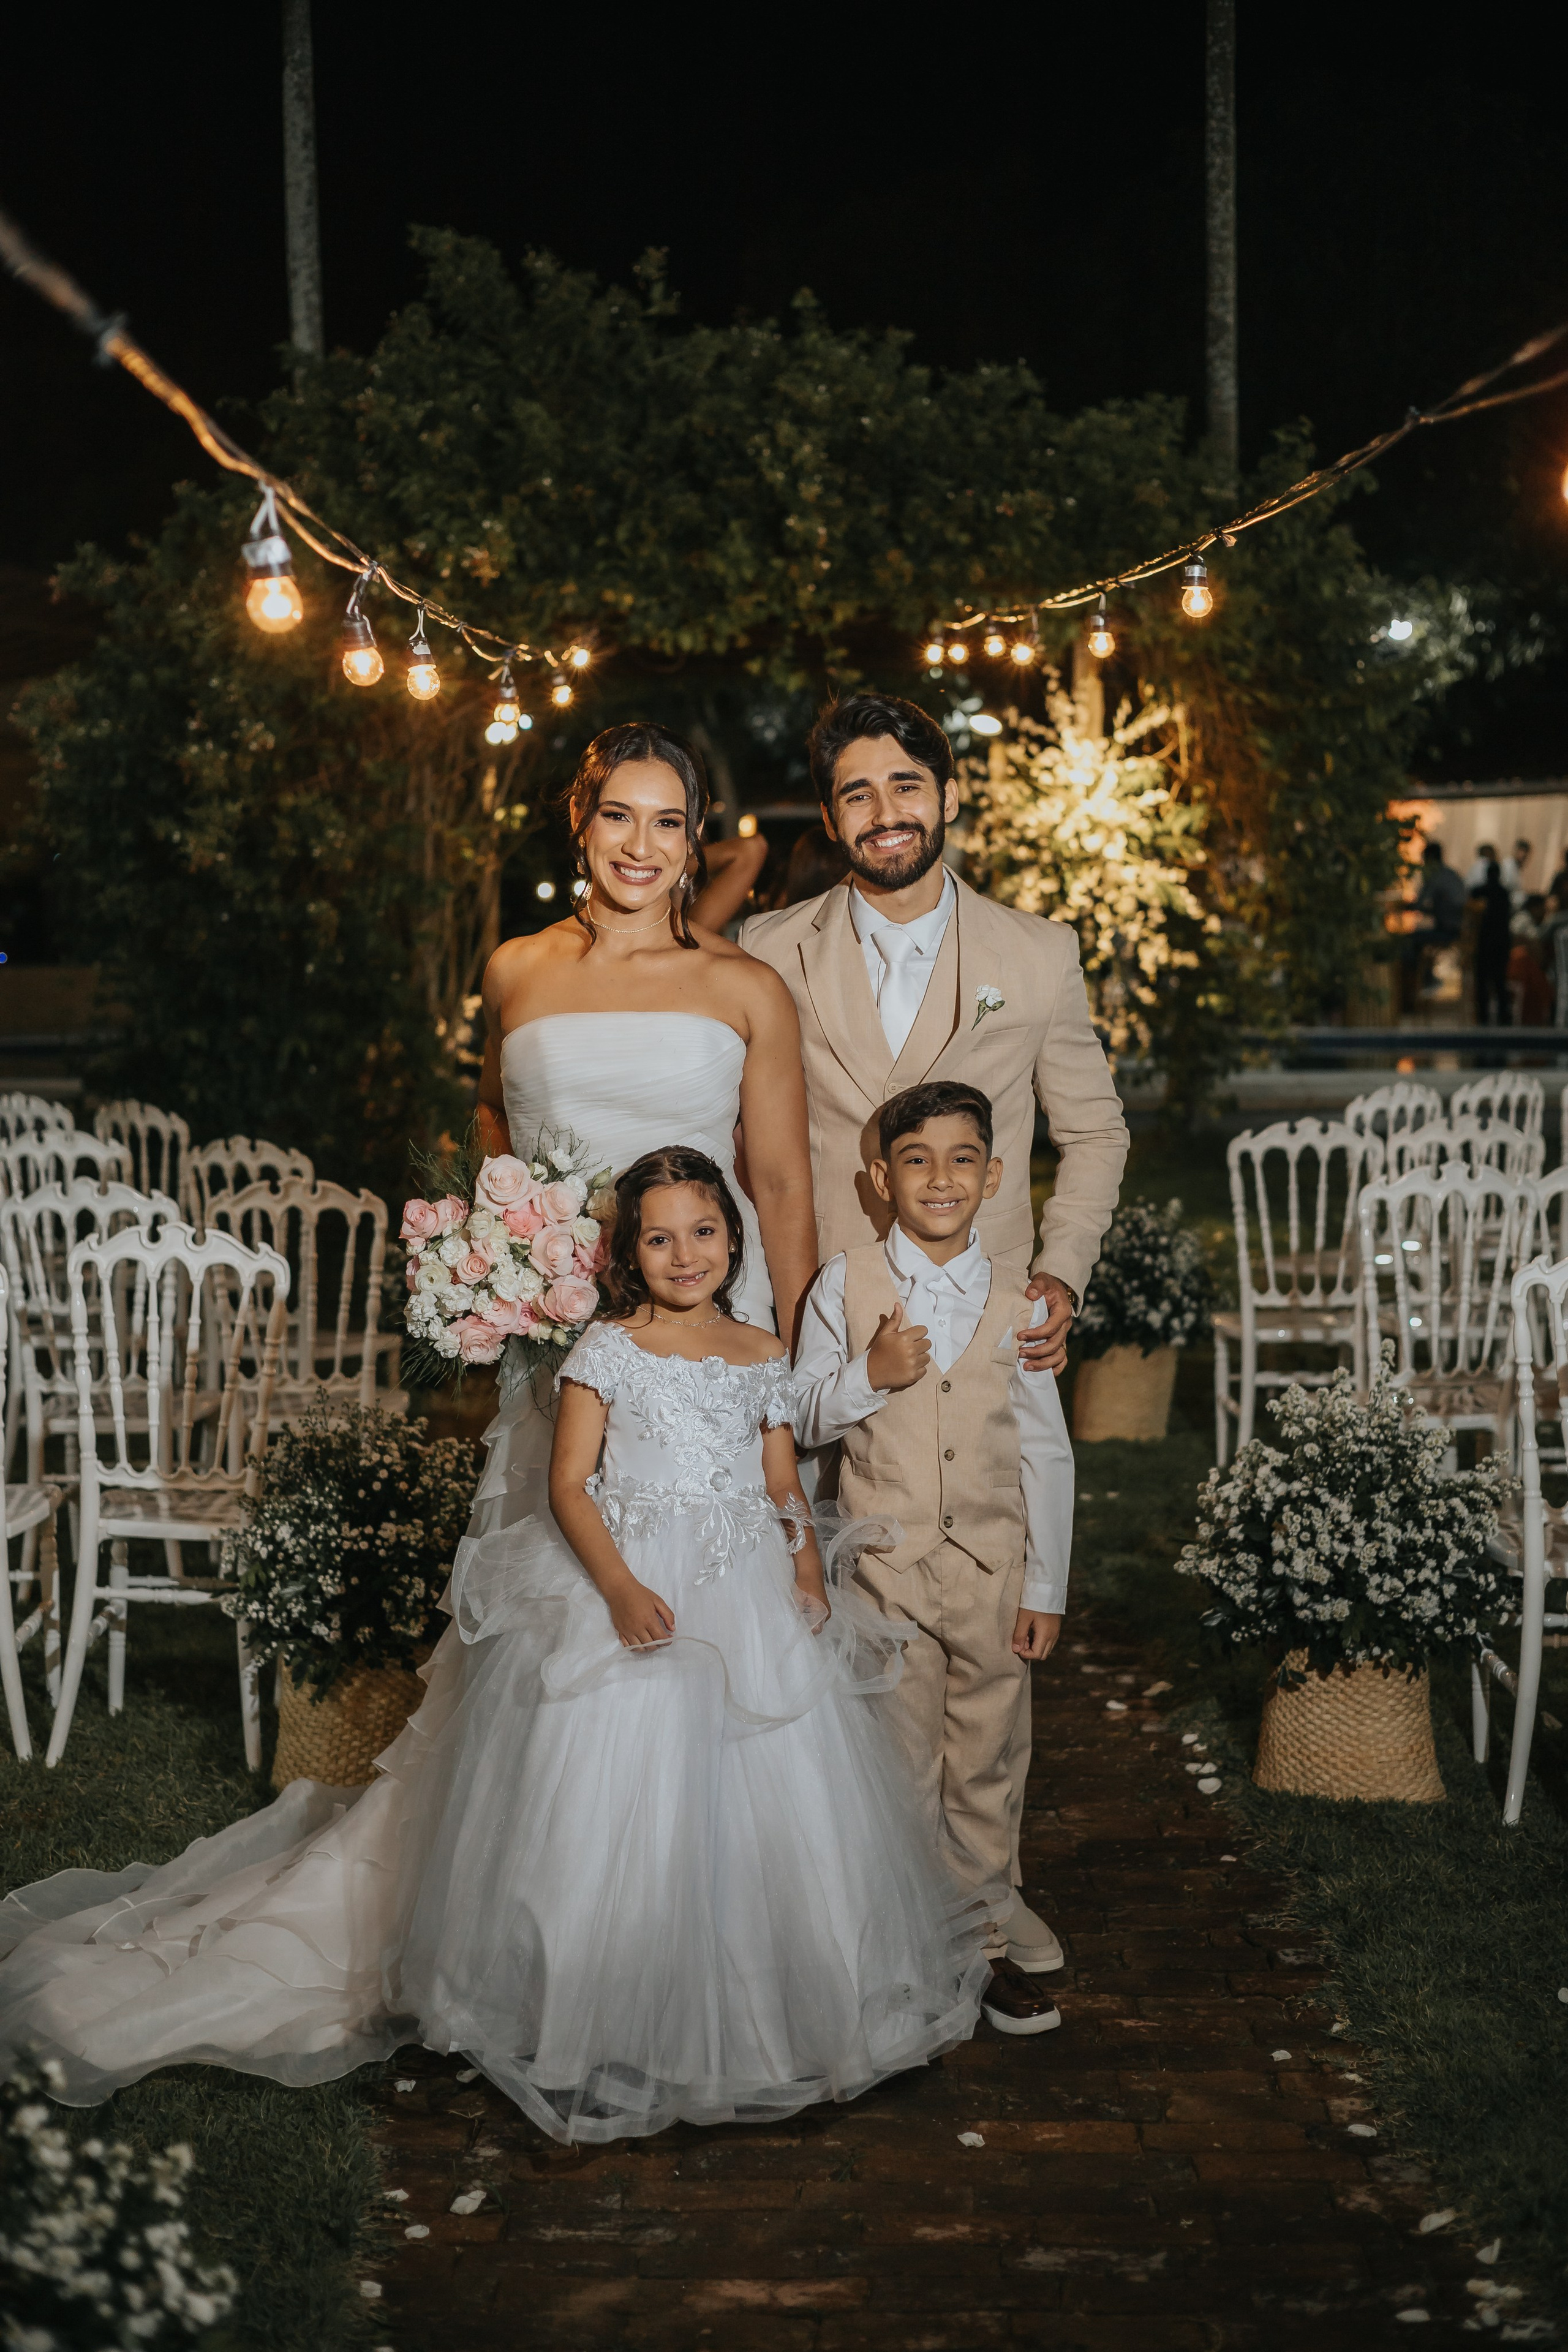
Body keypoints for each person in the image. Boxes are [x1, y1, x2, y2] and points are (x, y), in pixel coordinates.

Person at [0, 722, 834, 2130]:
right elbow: (501, 1148)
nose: (641, 847)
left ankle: (717, 1946)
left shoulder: (745, 987)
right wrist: (505, 1267)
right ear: (578, 825)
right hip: (562, 1362)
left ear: (698, 838)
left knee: (727, 1633)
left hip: (711, 1358)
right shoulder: (514, 971)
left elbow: (783, 1188)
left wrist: (797, 1386)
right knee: (557, 1638)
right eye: (617, 818)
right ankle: (538, 1941)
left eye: (668, 822)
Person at [739, 692, 1128, 1370]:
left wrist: (1062, 1270)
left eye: (906, 786)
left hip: (992, 1310)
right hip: (821, 1308)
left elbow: (1094, 1130)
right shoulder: (768, 949)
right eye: (858, 795)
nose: (885, 814)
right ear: (829, 818)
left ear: (948, 797)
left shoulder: (1040, 952)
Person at [793, 1080, 1072, 2015]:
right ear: (882, 1178)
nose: (941, 1178)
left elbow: (1046, 1451)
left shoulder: (1023, 1302)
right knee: (899, 1761)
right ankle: (911, 1940)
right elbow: (802, 1418)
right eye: (916, 1160)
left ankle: (983, 1936)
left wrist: (1046, 1587)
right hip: (887, 1577)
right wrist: (868, 1376)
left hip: (993, 1577)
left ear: (993, 1176)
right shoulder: (844, 1284)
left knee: (989, 1762)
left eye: (962, 1160)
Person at [1401, 840, 1467, 1008]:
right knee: (1414, 939)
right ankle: (1423, 981)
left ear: (1429, 858)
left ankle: (1416, 988)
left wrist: (1405, 906)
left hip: (1448, 931)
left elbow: (1420, 903)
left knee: (1407, 941)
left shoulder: (1435, 874)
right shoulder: (1451, 874)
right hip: (1458, 928)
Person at [1472, 858, 1514, 1026]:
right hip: (1501, 942)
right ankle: (1503, 1016)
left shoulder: (1479, 892)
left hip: (1485, 942)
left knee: (1483, 981)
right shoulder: (1504, 893)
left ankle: (1483, 1016)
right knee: (1500, 980)